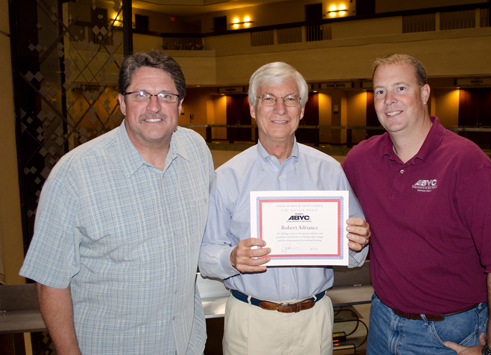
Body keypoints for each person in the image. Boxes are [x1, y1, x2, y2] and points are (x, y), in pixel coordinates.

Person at [19, 50, 213, 355]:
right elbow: (50, 282)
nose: (154, 106)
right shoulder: (74, 175)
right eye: (141, 95)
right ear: (122, 102)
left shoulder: (197, 150)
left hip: (185, 343)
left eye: (165, 95)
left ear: (179, 104)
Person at [342, 54, 491, 355]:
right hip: (381, 322)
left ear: (425, 93)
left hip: (449, 334)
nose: (389, 100)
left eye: (401, 88)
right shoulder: (361, 160)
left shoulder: (467, 164)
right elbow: (321, 203)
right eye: (380, 91)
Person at [199, 62, 370, 355]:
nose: (280, 108)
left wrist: (357, 242)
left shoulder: (330, 172)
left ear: (302, 110)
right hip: (251, 323)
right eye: (268, 98)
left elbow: (356, 256)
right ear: (253, 109)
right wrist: (231, 257)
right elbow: (205, 255)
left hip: (313, 320)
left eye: (290, 99)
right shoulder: (227, 177)